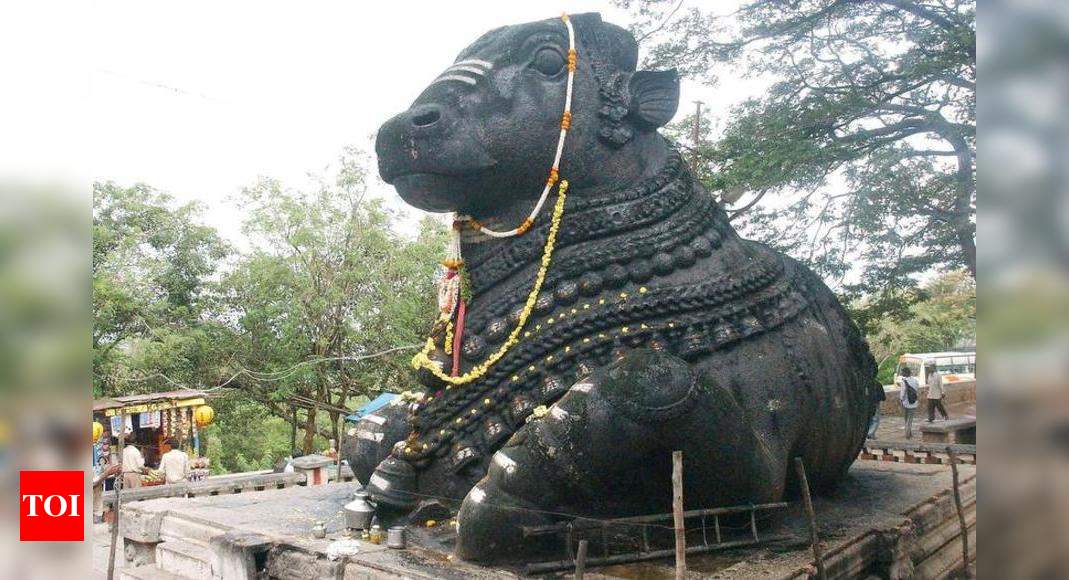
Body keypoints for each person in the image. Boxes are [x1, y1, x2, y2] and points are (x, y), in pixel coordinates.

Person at [899, 367, 920, 439]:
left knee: (906, 419)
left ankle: (907, 434)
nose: (902, 373)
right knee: (910, 419)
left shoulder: (904, 382)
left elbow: (903, 393)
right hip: (913, 402)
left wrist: (901, 400)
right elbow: (916, 390)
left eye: (902, 372)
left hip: (905, 403)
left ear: (906, 373)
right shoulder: (915, 380)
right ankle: (909, 432)